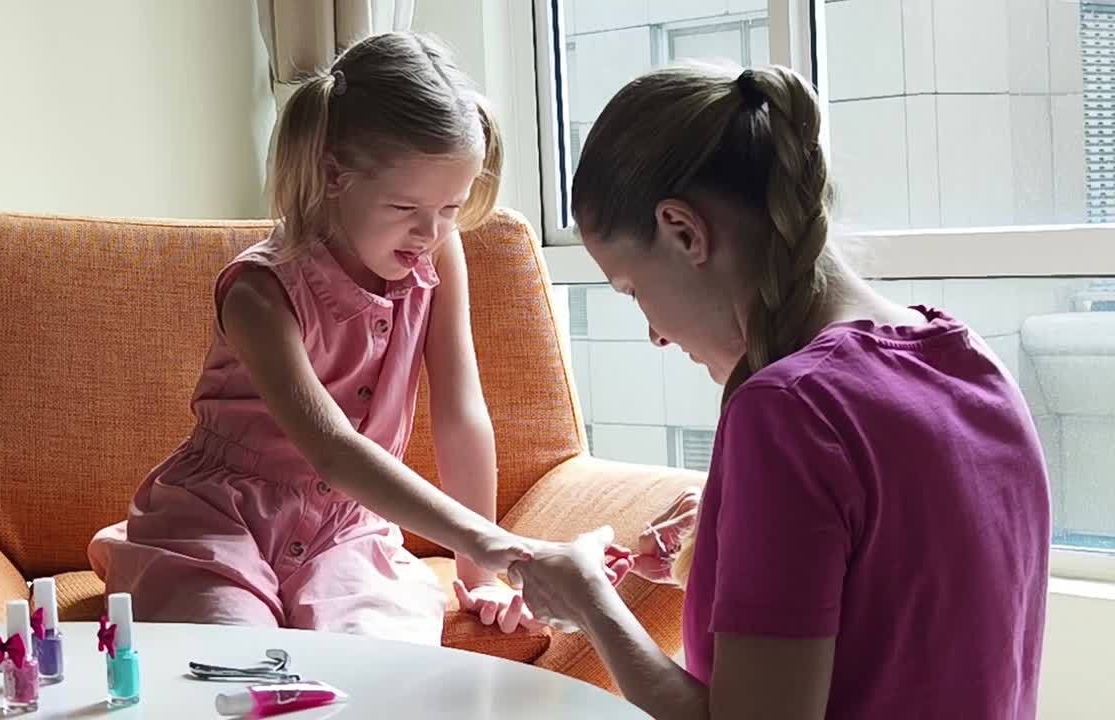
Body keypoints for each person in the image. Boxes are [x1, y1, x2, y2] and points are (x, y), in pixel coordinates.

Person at [511, 61, 1050, 719]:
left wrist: (592, 603)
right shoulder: (974, 367)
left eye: (631, 289)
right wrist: (728, 541)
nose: (654, 334)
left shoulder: (788, 413)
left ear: (683, 231)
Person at [88, 31, 542, 642]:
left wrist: (482, 574)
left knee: (384, 658)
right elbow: (332, 449)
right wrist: (487, 538)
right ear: (334, 174)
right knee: (234, 652)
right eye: (405, 208)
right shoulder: (260, 290)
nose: (428, 232)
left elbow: (460, 416)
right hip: (217, 524)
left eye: (450, 209)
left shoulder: (439, 256)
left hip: (348, 532)